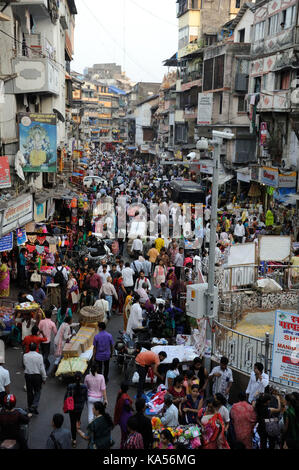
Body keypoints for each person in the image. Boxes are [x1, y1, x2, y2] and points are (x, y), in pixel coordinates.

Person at [64, 371, 88, 448]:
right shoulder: (84, 387)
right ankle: (78, 424)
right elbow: (85, 397)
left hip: (72, 407)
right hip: (80, 407)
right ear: (81, 379)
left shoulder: (70, 386)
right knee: (78, 416)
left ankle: (74, 440)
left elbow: (66, 397)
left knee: (72, 423)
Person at [23, 342, 47, 414]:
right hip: (37, 376)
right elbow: (42, 368)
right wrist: (44, 378)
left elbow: (25, 365)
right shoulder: (39, 356)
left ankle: (30, 406)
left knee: (29, 392)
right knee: (37, 391)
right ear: (36, 348)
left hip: (28, 375)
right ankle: (34, 405)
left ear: (29, 348)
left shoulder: (25, 355)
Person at [113, 383, 133, 448]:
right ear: (127, 389)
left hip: (122, 418)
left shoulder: (120, 394)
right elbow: (129, 406)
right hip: (126, 419)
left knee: (123, 436)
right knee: (127, 435)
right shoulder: (125, 399)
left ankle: (122, 446)